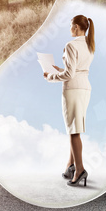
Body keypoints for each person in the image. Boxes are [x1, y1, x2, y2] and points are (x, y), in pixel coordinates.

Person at [42, 15, 94, 187]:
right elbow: (77, 69)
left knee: (73, 131)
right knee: (75, 127)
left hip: (72, 88)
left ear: (77, 27)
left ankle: (80, 170)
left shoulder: (70, 45)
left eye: (71, 26)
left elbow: (70, 75)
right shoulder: (89, 45)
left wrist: (51, 76)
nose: (70, 29)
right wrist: (60, 69)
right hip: (84, 87)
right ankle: (70, 166)